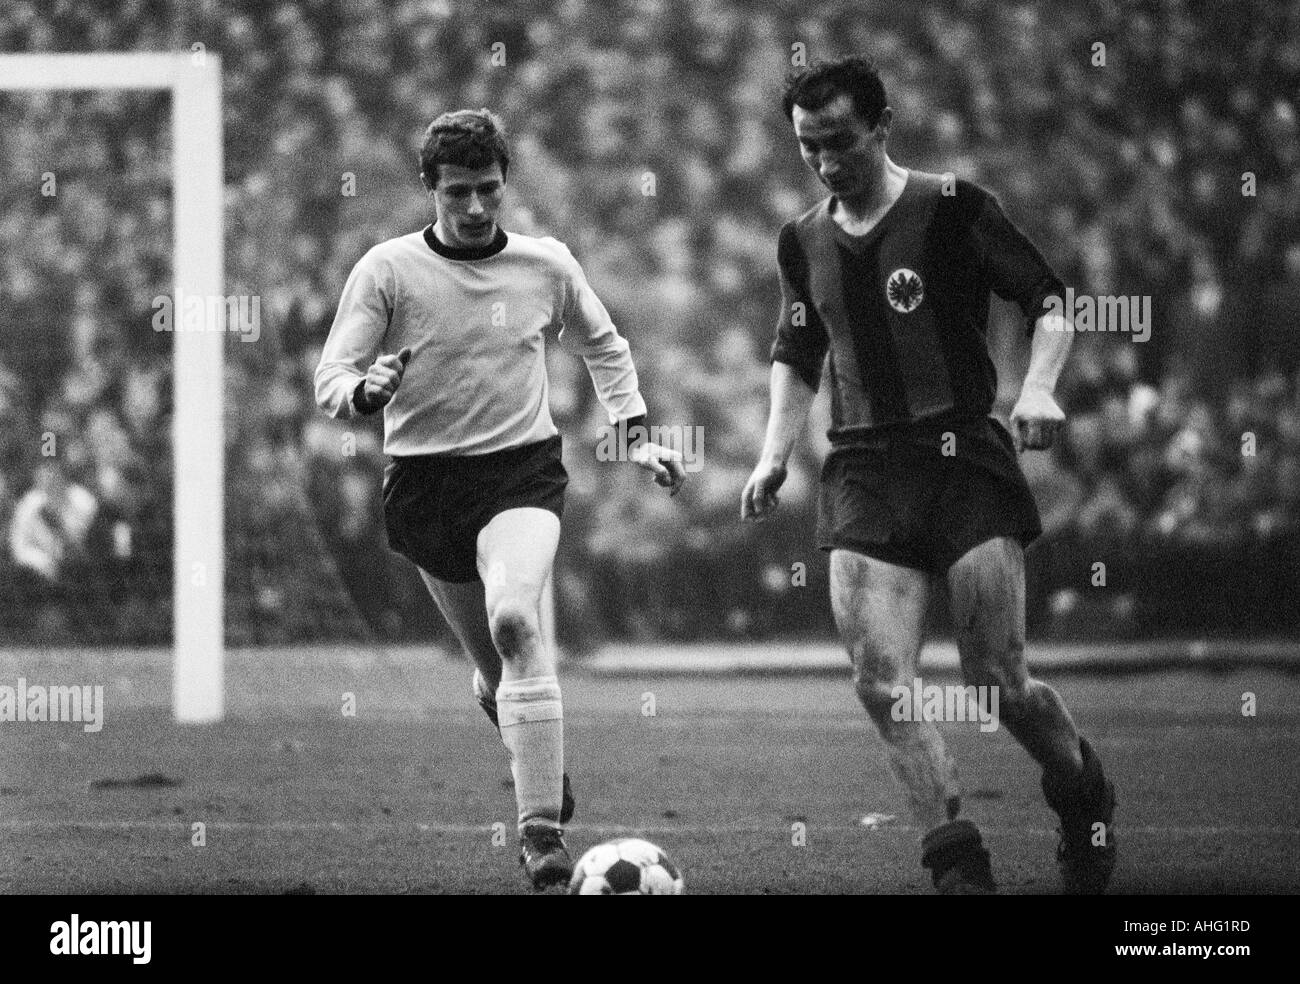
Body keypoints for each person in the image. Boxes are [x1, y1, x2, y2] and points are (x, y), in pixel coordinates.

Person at [741, 57, 1116, 894]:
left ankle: (1082, 790)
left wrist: (1042, 387)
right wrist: (773, 451)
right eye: (809, 148)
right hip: (866, 469)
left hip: (964, 462)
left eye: (841, 141)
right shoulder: (800, 240)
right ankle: (956, 861)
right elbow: (797, 351)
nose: (827, 161)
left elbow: (1048, 298)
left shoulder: (954, 208)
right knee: (881, 682)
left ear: (882, 126)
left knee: (998, 685)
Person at [315, 109, 685, 889]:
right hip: (423, 485)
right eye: (459, 193)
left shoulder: (545, 265)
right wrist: (364, 389)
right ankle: (533, 747)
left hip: (520, 473)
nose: (477, 208)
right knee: (490, 669)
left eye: (488, 189)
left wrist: (636, 432)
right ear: (430, 189)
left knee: (516, 620)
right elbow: (332, 380)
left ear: (504, 182)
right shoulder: (386, 270)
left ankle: (539, 830)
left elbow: (604, 344)